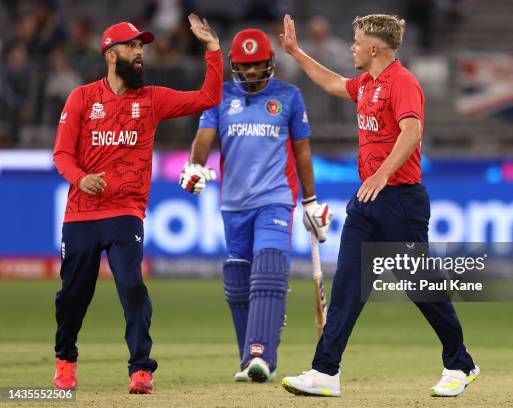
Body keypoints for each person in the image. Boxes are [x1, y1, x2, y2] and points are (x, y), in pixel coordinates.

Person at [278, 14, 479, 397]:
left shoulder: (403, 82)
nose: (351, 47)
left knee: (421, 287)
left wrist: (383, 173)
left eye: (356, 41)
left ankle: (460, 363)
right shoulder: (368, 83)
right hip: (367, 201)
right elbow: (334, 83)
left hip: (401, 201)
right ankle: (325, 372)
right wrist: (297, 53)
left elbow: (413, 131)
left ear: (374, 48)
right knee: (348, 287)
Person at [52, 14, 222, 394]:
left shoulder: (151, 99)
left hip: (126, 211)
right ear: (111, 55)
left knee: (131, 285)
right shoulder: (81, 98)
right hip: (81, 213)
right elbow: (61, 155)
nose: (139, 51)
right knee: (73, 294)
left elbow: (208, 98)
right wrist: (81, 178)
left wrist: (212, 49)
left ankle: (141, 370)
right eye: (131, 46)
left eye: (141, 45)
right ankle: (65, 361)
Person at [179, 28, 331, 383]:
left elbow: (303, 152)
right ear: (235, 65)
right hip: (233, 203)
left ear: (269, 63)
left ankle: (261, 354)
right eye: (244, 66)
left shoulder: (289, 97)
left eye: (256, 65)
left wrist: (309, 200)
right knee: (237, 280)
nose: (250, 72)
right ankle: (251, 359)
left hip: (275, 199)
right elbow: (203, 139)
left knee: (268, 271)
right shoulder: (219, 97)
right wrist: (194, 167)